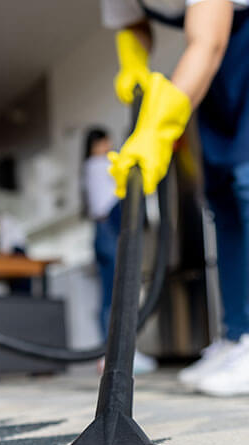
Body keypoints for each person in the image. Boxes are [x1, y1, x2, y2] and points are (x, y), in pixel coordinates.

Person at [101, 0, 249, 395]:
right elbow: (133, 21)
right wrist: (133, 62)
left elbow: (207, 43)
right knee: (221, 195)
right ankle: (237, 340)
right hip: (222, 49)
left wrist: (160, 129)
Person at [83, 126, 157, 374]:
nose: (110, 145)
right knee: (122, 292)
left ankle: (109, 355)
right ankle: (124, 355)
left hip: (99, 233)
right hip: (111, 232)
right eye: (107, 141)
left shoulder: (87, 167)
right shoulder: (102, 164)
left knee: (108, 296)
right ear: (99, 143)